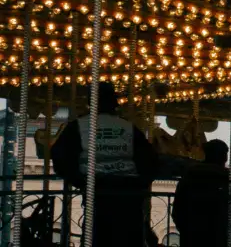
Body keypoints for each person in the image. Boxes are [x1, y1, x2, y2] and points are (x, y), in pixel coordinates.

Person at [49, 82, 159, 247]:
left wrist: (80, 181)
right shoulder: (128, 128)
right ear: (114, 103)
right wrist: (139, 183)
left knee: (97, 237)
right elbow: (150, 160)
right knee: (128, 237)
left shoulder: (79, 126)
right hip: (128, 193)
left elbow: (61, 158)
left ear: (91, 102)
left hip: (97, 190)